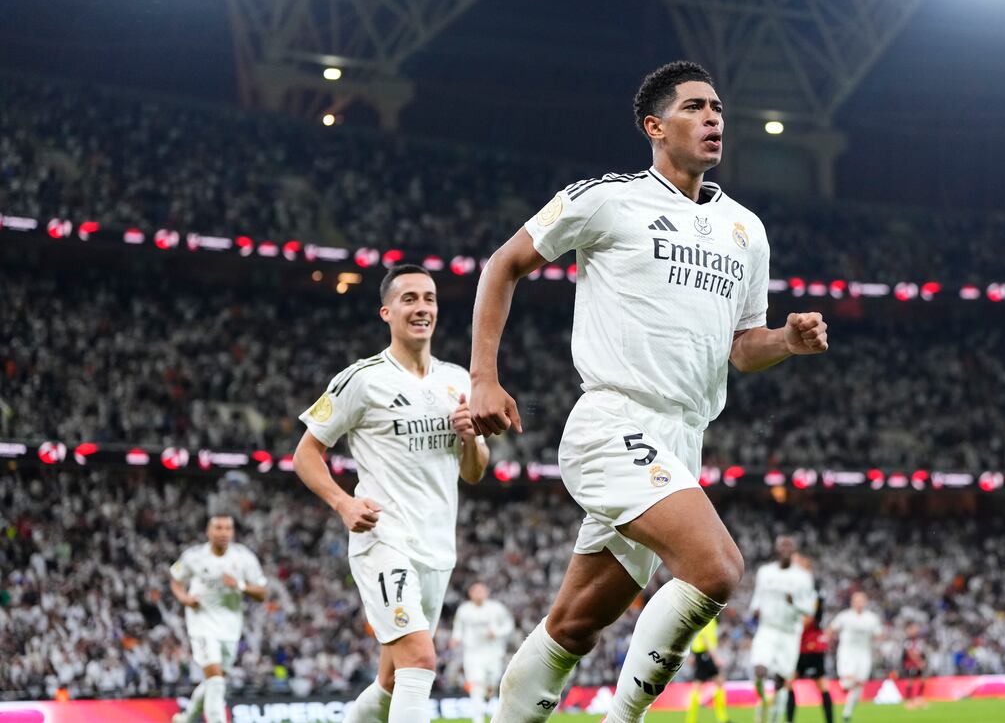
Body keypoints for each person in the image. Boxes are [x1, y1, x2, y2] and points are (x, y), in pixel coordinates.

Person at [469, 61, 829, 723]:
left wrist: (786, 340)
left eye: (718, 107)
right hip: (614, 422)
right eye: (695, 106)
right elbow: (504, 264)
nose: (714, 117)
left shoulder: (746, 230)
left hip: (681, 441)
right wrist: (483, 377)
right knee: (718, 567)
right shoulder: (609, 197)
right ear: (654, 126)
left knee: (575, 624)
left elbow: (743, 347)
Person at [294, 264, 490, 723]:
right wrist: (343, 502)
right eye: (410, 299)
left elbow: (475, 473)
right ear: (387, 311)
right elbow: (306, 453)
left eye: (429, 298)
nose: (422, 307)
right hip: (385, 539)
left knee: (391, 681)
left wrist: (470, 437)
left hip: (437, 549)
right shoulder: (362, 379)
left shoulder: (458, 381)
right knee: (420, 660)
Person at [168, 514, 267, 723]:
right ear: (208, 531)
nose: (224, 533)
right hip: (201, 623)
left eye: (228, 528)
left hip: (230, 626)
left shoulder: (244, 557)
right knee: (215, 680)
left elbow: (262, 593)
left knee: (215, 681)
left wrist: (239, 585)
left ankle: (186, 718)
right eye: (219, 528)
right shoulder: (194, 556)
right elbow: (176, 581)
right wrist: (184, 598)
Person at [749, 536, 816, 723]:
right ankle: (762, 700)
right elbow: (758, 596)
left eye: (789, 545)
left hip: (789, 633)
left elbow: (809, 608)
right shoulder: (765, 572)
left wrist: (793, 603)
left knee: (781, 680)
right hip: (767, 629)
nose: (786, 548)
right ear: (776, 548)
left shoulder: (803, 577)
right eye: (782, 544)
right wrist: (754, 610)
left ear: (794, 549)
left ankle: (775, 717)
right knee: (759, 670)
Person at [452, 582, 516, 723]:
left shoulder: (496, 608)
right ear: (470, 594)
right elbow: (458, 628)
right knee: (475, 684)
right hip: (472, 653)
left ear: (487, 593)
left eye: (481, 591)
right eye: (476, 591)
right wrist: (455, 639)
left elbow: (509, 624)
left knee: (492, 680)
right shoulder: (464, 609)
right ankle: (478, 719)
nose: (478, 594)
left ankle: (489, 692)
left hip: (493, 652)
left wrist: (497, 632)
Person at [827, 591, 883, 721]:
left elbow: (879, 634)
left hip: (863, 653)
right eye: (857, 601)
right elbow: (831, 629)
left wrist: (878, 638)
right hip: (847, 652)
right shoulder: (844, 616)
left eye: (862, 601)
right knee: (848, 683)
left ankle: (847, 713)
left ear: (865, 602)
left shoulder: (871, 618)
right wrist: (829, 641)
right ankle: (845, 684)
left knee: (859, 685)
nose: (859, 603)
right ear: (852, 602)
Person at [789, 586, 832, 723]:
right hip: (799, 650)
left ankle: (830, 721)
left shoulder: (813, 606)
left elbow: (805, 622)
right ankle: (789, 720)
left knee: (822, 685)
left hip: (812, 651)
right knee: (789, 684)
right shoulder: (805, 603)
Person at [686, 617, 729, 723]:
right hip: (705, 654)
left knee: (717, 682)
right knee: (701, 686)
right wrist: (716, 658)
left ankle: (721, 718)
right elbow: (705, 639)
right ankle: (721, 718)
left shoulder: (705, 617)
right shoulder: (709, 618)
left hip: (701, 654)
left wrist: (693, 654)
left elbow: (696, 636)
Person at [898, 624, 926, 710]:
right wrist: (919, 662)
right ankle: (909, 702)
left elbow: (921, 652)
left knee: (922, 680)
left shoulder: (919, 640)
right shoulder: (908, 641)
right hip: (910, 664)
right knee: (910, 682)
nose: (916, 631)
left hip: (918, 664)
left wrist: (923, 661)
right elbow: (910, 653)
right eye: (913, 629)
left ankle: (919, 699)